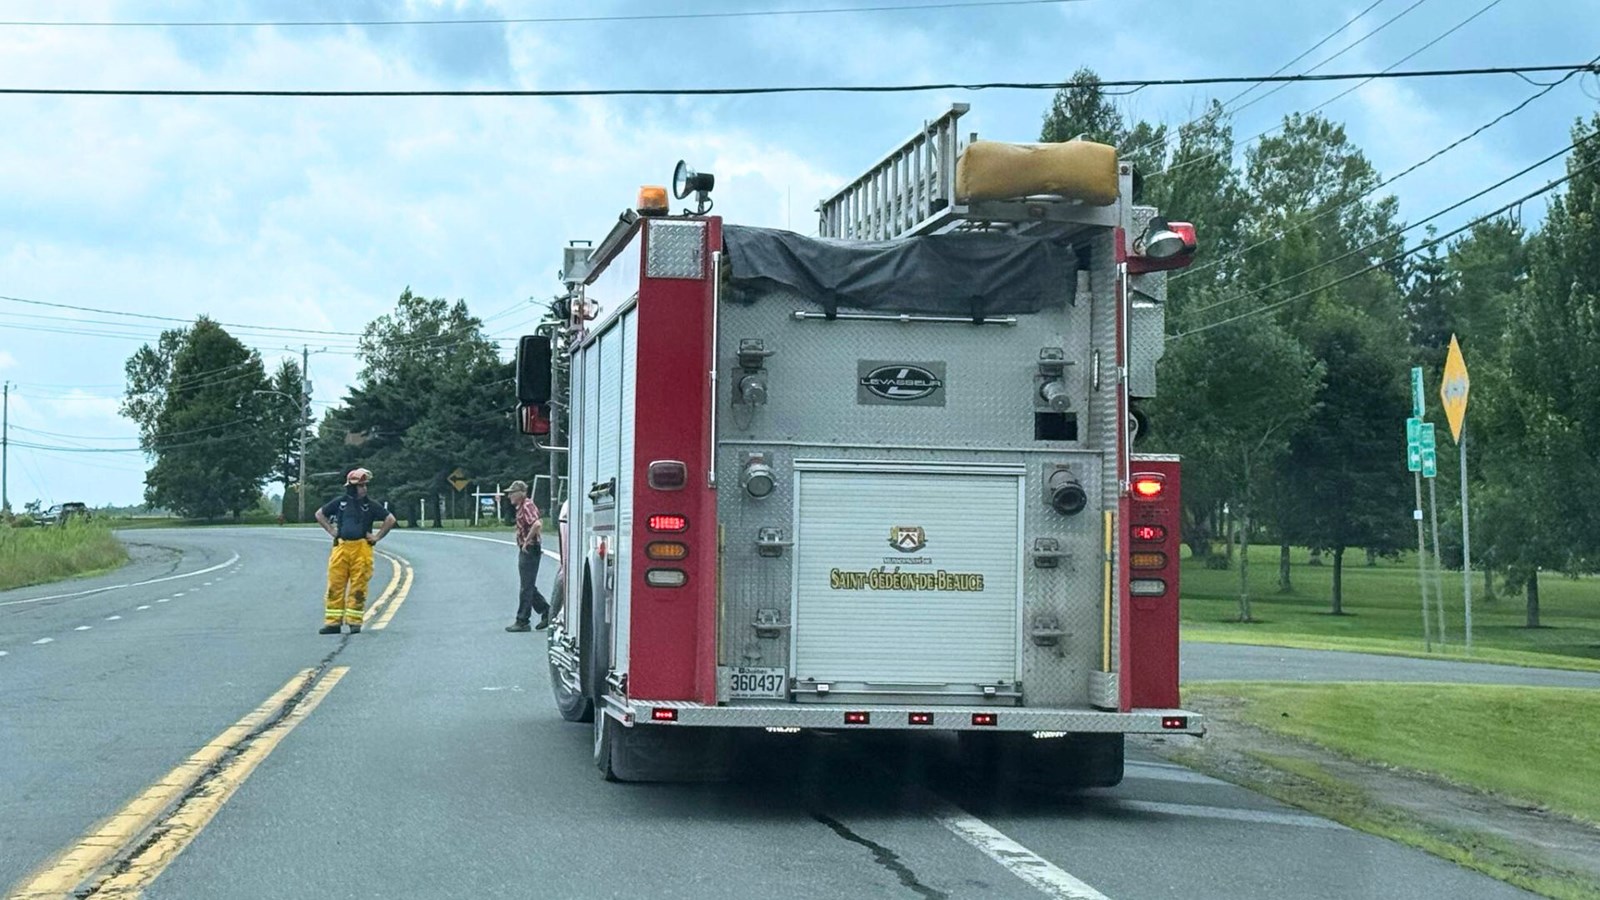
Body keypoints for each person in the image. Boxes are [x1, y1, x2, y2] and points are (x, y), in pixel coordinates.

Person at [314, 467, 396, 634]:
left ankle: (354, 622)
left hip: (362, 549)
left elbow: (390, 519)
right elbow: (319, 514)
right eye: (360, 486)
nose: (364, 489)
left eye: (365, 485)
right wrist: (331, 531)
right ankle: (333, 623)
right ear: (351, 487)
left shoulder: (370, 505)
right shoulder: (340, 503)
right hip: (341, 548)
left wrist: (377, 537)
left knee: (358, 587)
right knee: (335, 585)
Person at [504, 480, 549, 632]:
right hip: (528, 549)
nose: (509, 496)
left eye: (512, 492)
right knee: (528, 585)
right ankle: (547, 611)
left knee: (526, 587)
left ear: (521, 493)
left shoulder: (527, 505)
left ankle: (522, 620)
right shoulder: (522, 507)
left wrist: (527, 541)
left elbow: (537, 524)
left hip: (530, 549)